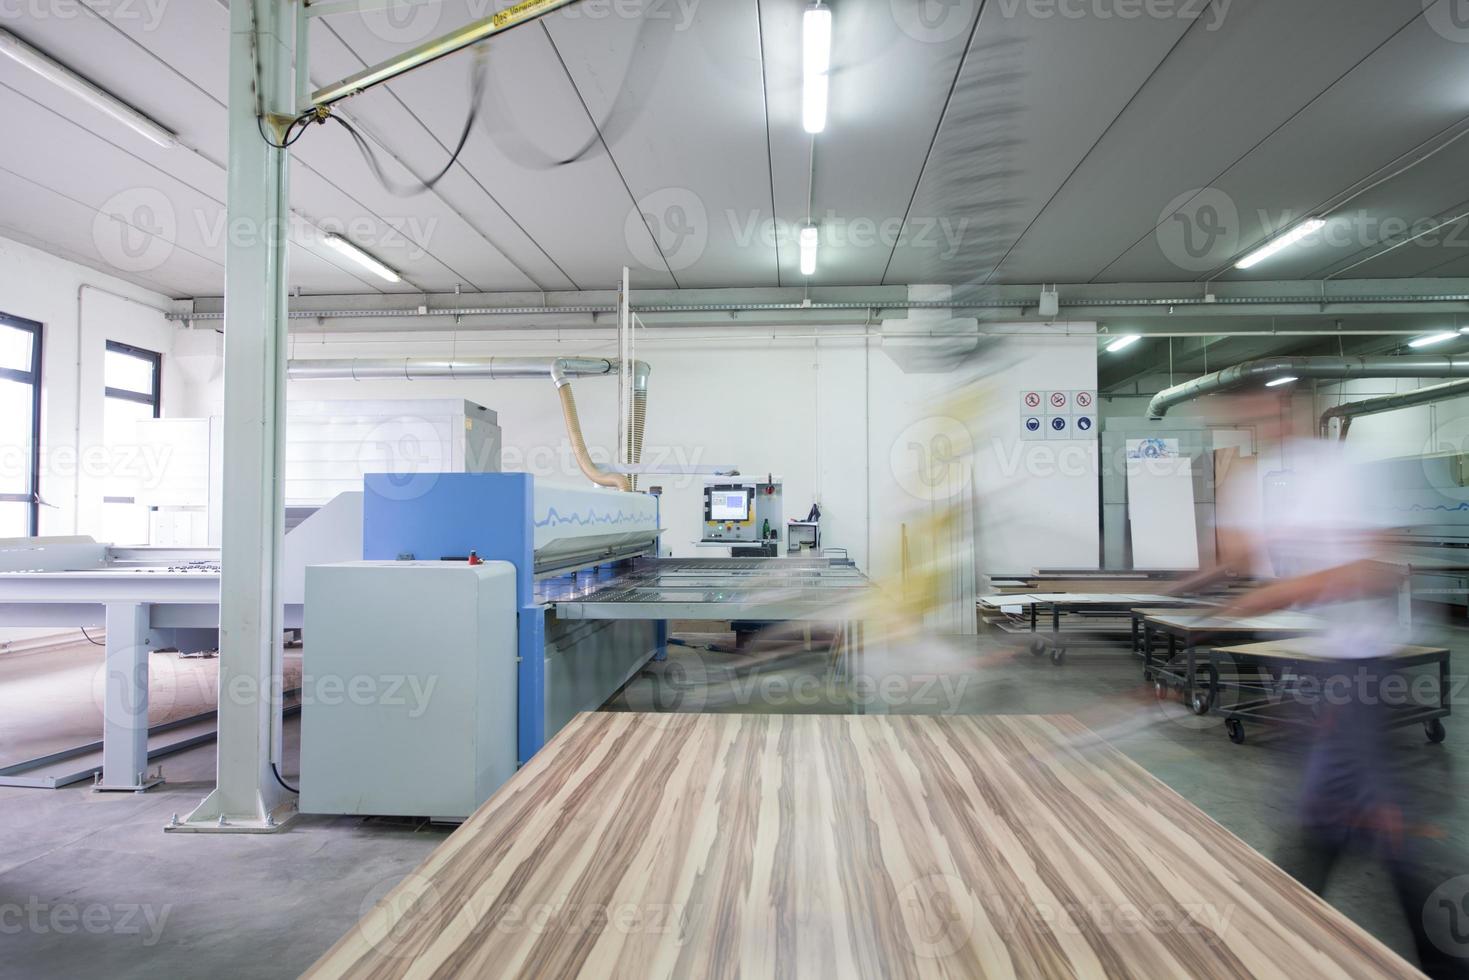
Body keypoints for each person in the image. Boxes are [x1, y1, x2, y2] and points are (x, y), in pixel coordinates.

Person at [1176, 391, 1467, 978]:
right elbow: (1247, 553)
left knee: (1370, 819)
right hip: (1319, 665)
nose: (1249, 421)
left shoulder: (1336, 472)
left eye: (1258, 409)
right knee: (1334, 811)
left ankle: (1436, 954)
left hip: (1358, 665)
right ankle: (1284, 935)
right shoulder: (1263, 478)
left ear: (1289, 408)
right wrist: (1193, 584)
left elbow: (1373, 568)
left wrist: (1267, 596)